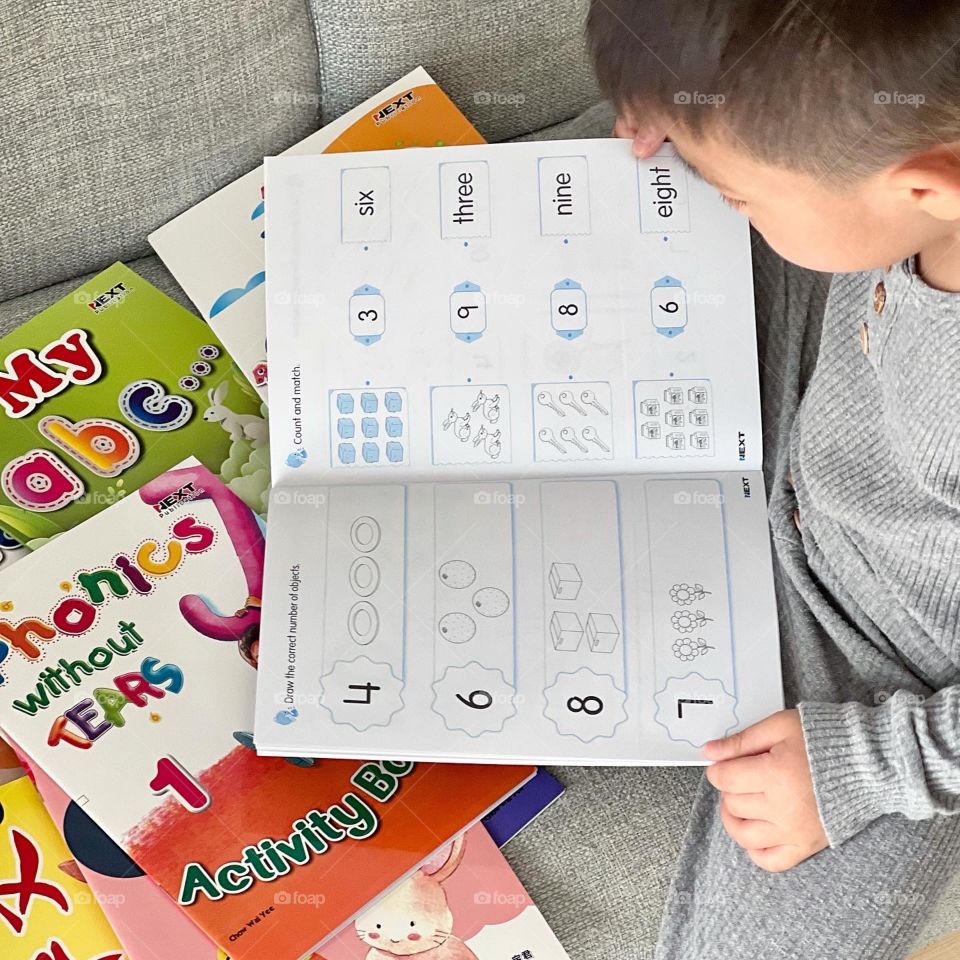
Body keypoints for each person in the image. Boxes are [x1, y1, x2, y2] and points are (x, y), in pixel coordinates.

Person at [585, 1, 960, 957]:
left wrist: (867, 767)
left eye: (740, 193)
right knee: (607, 212)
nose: (726, 197)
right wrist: (693, 110)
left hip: (891, 671)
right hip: (826, 430)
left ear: (930, 189)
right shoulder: (901, 190)